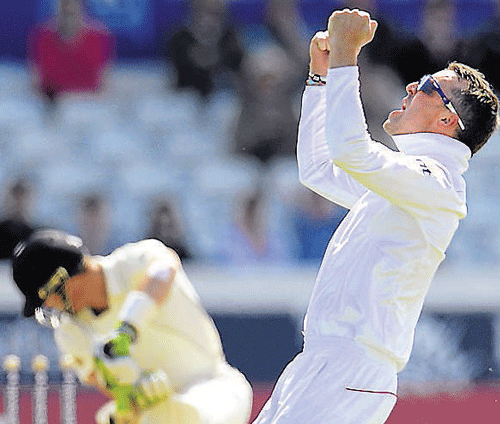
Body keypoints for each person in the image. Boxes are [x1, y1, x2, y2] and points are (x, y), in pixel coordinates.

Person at [252, 8, 499, 424]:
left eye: (425, 86)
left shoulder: (436, 182)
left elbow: (351, 151)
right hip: (322, 365)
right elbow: (319, 170)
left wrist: (348, 56)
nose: (409, 86)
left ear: (446, 120)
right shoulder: (412, 181)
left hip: (350, 371)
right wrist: (321, 76)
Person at [11, 229, 252, 424]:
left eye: (46, 298)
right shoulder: (70, 333)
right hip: (155, 412)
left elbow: (164, 268)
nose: (51, 306)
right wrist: (133, 392)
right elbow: (115, 393)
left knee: (190, 415)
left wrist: (127, 330)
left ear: (62, 280)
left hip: (215, 386)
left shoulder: (132, 261)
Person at [28, 0, 115, 106]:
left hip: (89, 106)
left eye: (73, 4)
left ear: (82, 7)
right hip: (52, 107)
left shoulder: (100, 37)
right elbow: (35, 86)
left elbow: (104, 88)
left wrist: (70, 99)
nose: (68, 8)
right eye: (64, 5)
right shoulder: (41, 37)